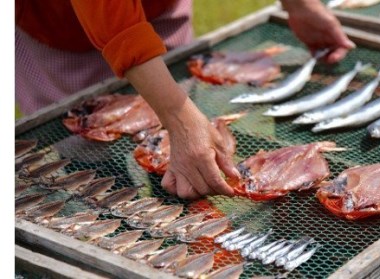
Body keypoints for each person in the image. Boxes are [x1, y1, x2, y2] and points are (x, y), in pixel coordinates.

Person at [15, 0, 355, 200]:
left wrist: (299, 4)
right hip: (61, 25)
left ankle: (166, 204)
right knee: (90, 140)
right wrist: (180, 119)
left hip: (158, 7)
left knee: (175, 142)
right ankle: (110, 213)